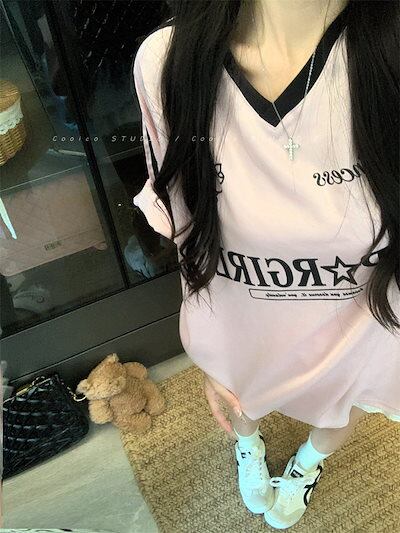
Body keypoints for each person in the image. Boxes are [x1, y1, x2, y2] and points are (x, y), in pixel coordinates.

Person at [132, 0, 400, 529]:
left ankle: (307, 465)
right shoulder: (168, 62)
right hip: (245, 324)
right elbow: (189, 228)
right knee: (242, 403)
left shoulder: (389, 53)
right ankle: (248, 446)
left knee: (337, 410)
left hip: (364, 328)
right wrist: (209, 346)